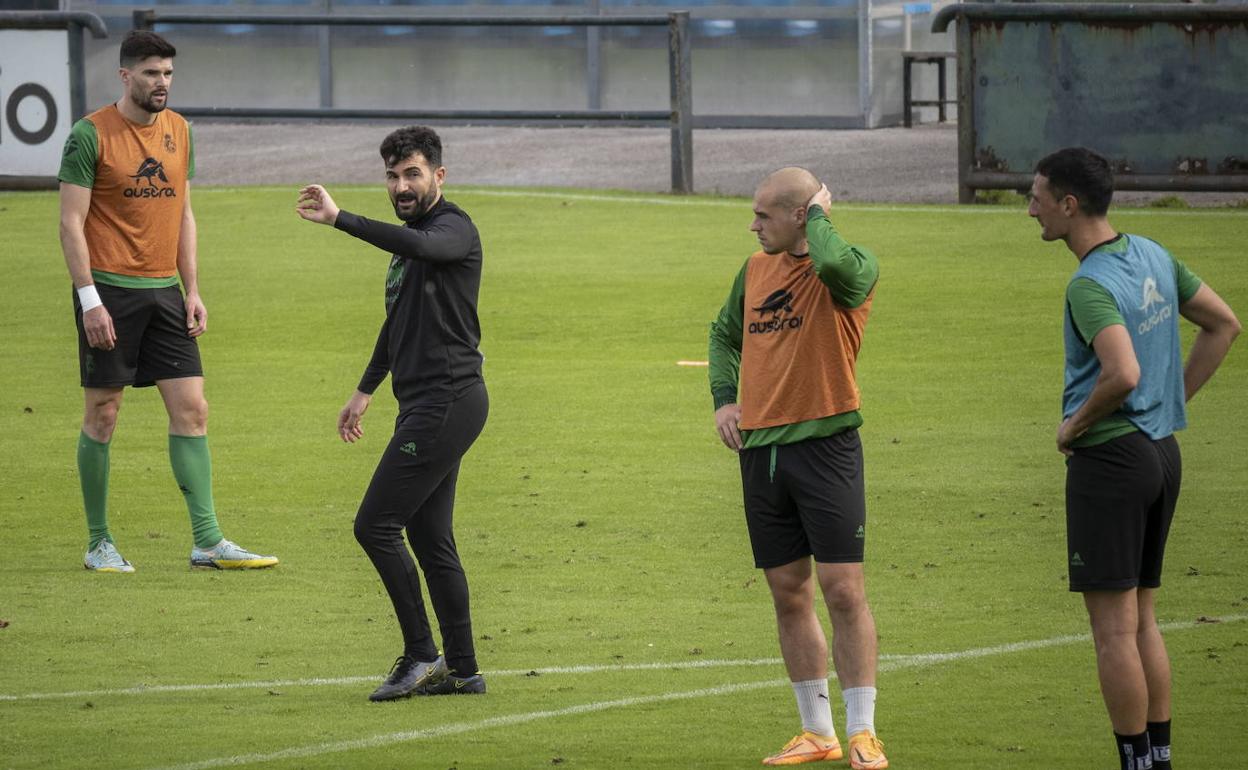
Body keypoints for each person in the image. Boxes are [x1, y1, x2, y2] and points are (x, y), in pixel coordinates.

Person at [1028, 147, 1240, 770]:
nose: (1030, 208)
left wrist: (1075, 424)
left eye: (1037, 196)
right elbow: (1224, 324)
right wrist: (1167, 401)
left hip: (1112, 463)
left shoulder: (1090, 284)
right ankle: (1158, 759)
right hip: (1161, 453)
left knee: (1113, 633)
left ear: (1069, 205)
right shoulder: (1150, 252)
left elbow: (1120, 373)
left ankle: (1133, 762)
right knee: (1143, 618)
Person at [58, 30, 277, 573]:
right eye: (153, 73)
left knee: (193, 409)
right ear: (125, 75)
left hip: (165, 292)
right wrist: (90, 301)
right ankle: (98, 543)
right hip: (107, 290)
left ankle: (207, 540)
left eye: (169, 74)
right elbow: (69, 223)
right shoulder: (89, 135)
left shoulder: (180, 130)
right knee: (103, 413)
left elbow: (183, 213)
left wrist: (193, 289)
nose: (163, 83)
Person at [295, 126, 488, 702]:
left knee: (374, 526)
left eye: (412, 174)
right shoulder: (409, 243)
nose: (401, 186)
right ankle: (464, 670)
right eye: (392, 176)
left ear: (438, 176)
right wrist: (365, 388)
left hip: (448, 401)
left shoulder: (452, 228)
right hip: (425, 404)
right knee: (431, 539)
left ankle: (421, 655)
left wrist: (341, 220)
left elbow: (425, 248)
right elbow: (397, 322)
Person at [708, 167, 888, 768]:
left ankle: (862, 731)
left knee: (842, 591)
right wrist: (723, 398)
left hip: (827, 446)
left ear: (800, 216)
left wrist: (819, 219)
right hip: (763, 454)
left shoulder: (850, 265)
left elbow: (836, 269)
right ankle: (818, 732)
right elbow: (722, 334)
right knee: (789, 594)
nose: (753, 224)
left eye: (764, 215)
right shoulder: (754, 270)